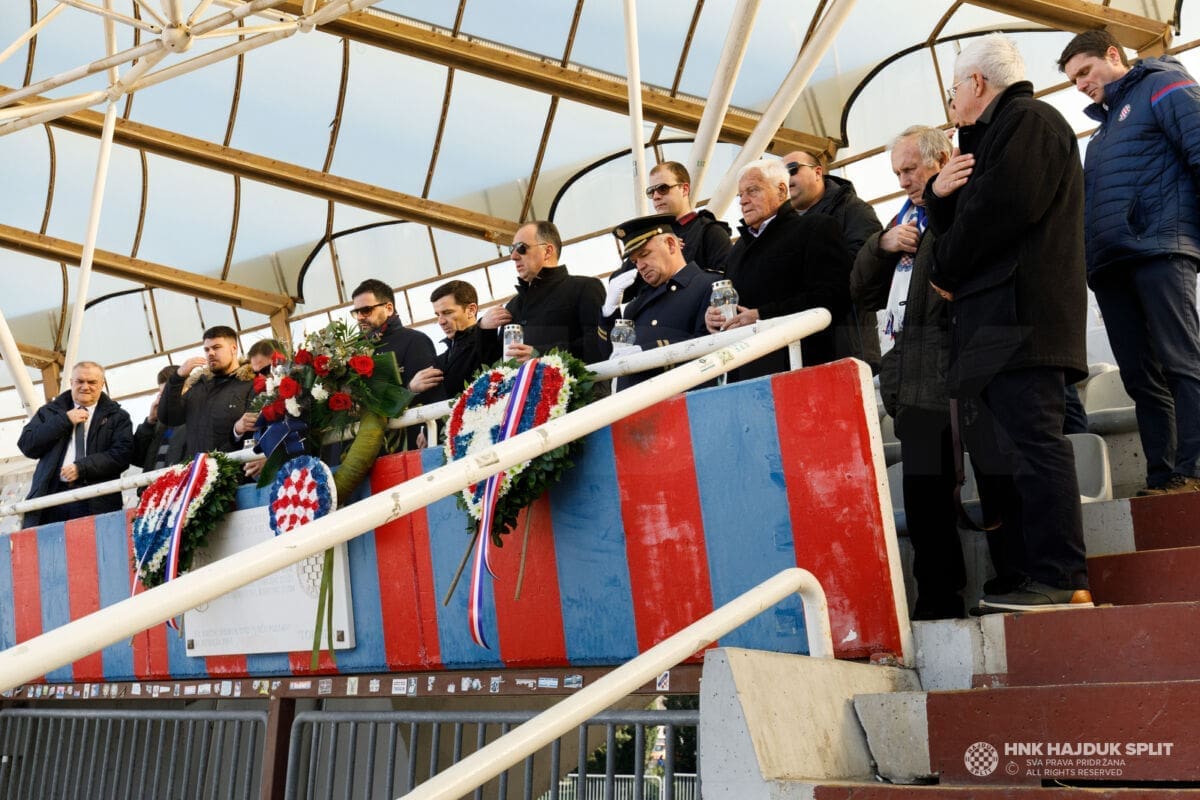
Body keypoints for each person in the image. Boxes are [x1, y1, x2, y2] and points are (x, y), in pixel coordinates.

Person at [927, 34, 1091, 613]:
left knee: (1034, 445)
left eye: (953, 90)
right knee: (1003, 456)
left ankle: (1061, 576)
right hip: (992, 320)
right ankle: (1027, 574)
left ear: (977, 83)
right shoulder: (989, 136)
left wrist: (943, 265)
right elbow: (964, 217)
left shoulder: (1030, 120)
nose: (951, 104)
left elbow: (999, 211)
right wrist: (936, 194)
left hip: (1022, 316)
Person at [853, 125, 1016, 619]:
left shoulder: (968, 201)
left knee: (997, 480)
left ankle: (1015, 580)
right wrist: (881, 245)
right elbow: (860, 293)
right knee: (924, 499)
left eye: (911, 169)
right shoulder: (901, 219)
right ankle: (938, 600)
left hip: (969, 365)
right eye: (897, 173)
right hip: (914, 375)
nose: (903, 181)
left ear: (942, 159)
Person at [1058, 29, 1200, 496]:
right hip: (1111, 265)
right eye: (1073, 80)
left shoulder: (1163, 84)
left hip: (1160, 248)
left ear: (1113, 54)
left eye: (1085, 71)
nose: (1081, 84)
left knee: (1181, 362)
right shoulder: (1099, 135)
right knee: (1140, 378)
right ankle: (1163, 476)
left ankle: (1194, 469)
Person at [704, 157, 850, 380]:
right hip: (746, 372)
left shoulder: (815, 228)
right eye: (740, 195)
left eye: (752, 191)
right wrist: (715, 317)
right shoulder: (736, 250)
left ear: (782, 190)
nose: (743, 201)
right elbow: (736, 304)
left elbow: (834, 297)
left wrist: (762, 316)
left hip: (803, 368)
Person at [782, 149, 883, 372]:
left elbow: (866, 267)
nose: (787, 178)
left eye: (792, 169)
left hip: (847, 345)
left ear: (818, 172)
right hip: (801, 351)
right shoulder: (785, 227)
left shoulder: (853, 209)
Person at [600, 213, 722, 389]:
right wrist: (609, 311)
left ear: (671, 245)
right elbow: (608, 356)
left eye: (644, 254)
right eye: (635, 261)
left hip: (683, 396)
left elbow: (708, 345)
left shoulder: (708, 285)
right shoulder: (635, 306)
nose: (640, 266)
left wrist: (648, 353)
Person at [18, 361, 133, 528]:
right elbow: (27, 445)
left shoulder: (118, 417)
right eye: (80, 381)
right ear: (71, 382)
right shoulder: (50, 411)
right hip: (51, 498)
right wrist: (64, 420)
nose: (85, 387)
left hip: (95, 499)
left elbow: (122, 455)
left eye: (92, 382)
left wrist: (82, 467)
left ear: (102, 384)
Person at [479, 221, 606, 365]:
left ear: (547, 251)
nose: (513, 256)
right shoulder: (513, 306)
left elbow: (599, 344)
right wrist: (485, 330)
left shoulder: (584, 288)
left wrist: (540, 355)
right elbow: (495, 365)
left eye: (521, 248)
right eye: (511, 249)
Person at [608, 161, 733, 303]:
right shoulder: (650, 237)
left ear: (684, 189)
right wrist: (642, 253)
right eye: (651, 192)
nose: (656, 196)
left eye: (663, 188)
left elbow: (728, 284)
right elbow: (619, 288)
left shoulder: (710, 232)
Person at [351, 279, 445, 448]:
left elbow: (433, 394)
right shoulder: (351, 350)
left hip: (408, 442)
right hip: (362, 443)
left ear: (388, 308)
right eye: (356, 312)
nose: (359, 317)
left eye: (366, 310)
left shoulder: (415, 340)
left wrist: (431, 432)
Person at [160, 325, 258, 459]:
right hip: (198, 468)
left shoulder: (251, 384)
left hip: (233, 468)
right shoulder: (198, 386)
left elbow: (256, 432)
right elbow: (169, 417)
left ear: (234, 348)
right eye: (206, 349)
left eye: (216, 347)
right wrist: (178, 377)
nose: (210, 353)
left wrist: (236, 433)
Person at [410, 280, 498, 400]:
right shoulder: (441, 360)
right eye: (438, 315)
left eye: (447, 312)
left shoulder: (489, 343)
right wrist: (412, 389)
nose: (441, 321)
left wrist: (486, 331)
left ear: (471, 310)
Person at [132, 365, 188, 475]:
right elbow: (137, 458)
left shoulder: (196, 418)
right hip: (154, 483)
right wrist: (150, 422)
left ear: (187, 389)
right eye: (162, 394)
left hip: (180, 482)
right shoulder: (159, 423)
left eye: (170, 392)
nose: (167, 398)